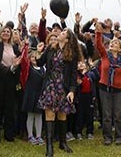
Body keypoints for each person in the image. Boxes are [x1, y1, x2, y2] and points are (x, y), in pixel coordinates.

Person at [37, 20, 81, 157]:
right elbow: (40, 63)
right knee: (49, 114)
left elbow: (74, 74)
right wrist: (39, 52)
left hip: (64, 86)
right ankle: (49, 147)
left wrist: (72, 91)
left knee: (62, 114)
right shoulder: (51, 48)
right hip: (50, 85)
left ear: (67, 38)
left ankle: (63, 143)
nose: (59, 33)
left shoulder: (71, 54)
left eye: (63, 32)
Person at [94, 25, 121, 146]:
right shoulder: (105, 56)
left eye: (115, 43)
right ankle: (107, 137)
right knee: (106, 115)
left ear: (120, 48)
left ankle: (119, 136)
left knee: (118, 114)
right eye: (111, 43)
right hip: (105, 88)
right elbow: (98, 45)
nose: (112, 44)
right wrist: (99, 33)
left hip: (120, 89)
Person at [0, 7, 22, 143]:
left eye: (9, 32)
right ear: (0, 33)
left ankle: (9, 134)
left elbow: (19, 60)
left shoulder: (14, 48)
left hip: (11, 79)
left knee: (10, 107)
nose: (7, 33)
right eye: (4, 31)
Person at [20, 43, 46, 145]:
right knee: (30, 115)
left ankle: (38, 136)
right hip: (30, 94)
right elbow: (23, 61)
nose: (34, 59)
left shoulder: (44, 69)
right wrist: (25, 47)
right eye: (32, 57)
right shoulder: (28, 69)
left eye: (37, 57)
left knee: (39, 115)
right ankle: (30, 135)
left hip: (40, 94)